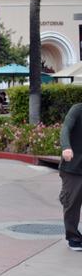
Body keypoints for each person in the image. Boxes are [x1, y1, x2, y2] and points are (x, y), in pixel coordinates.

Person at [59, 103, 82, 251]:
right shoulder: (77, 109)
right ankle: (73, 237)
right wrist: (66, 147)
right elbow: (65, 128)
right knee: (72, 203)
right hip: (73, 167)